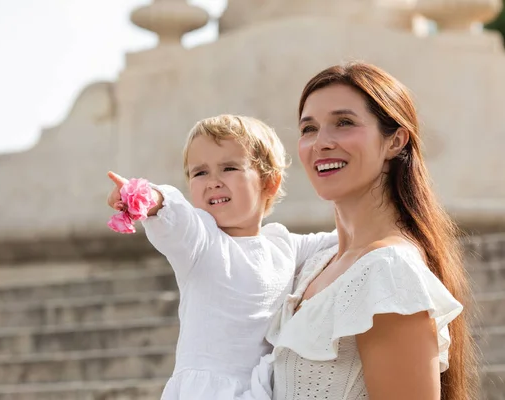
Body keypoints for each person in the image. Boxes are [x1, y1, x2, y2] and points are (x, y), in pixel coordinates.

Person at [258, 62, 477, 400]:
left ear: (396, 141)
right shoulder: (317, 265)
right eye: (309, 128)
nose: (322, 143)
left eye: (344, 123)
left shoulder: (389, 272)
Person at [106, 114, 338, 400]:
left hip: (261, 389)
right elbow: (175, 214)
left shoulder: (283, 245)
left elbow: (346, 239)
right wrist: (147, 198)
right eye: (199, 173)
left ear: (270, 183)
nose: (213, 182)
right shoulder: (201, 241)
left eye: (229, 168)